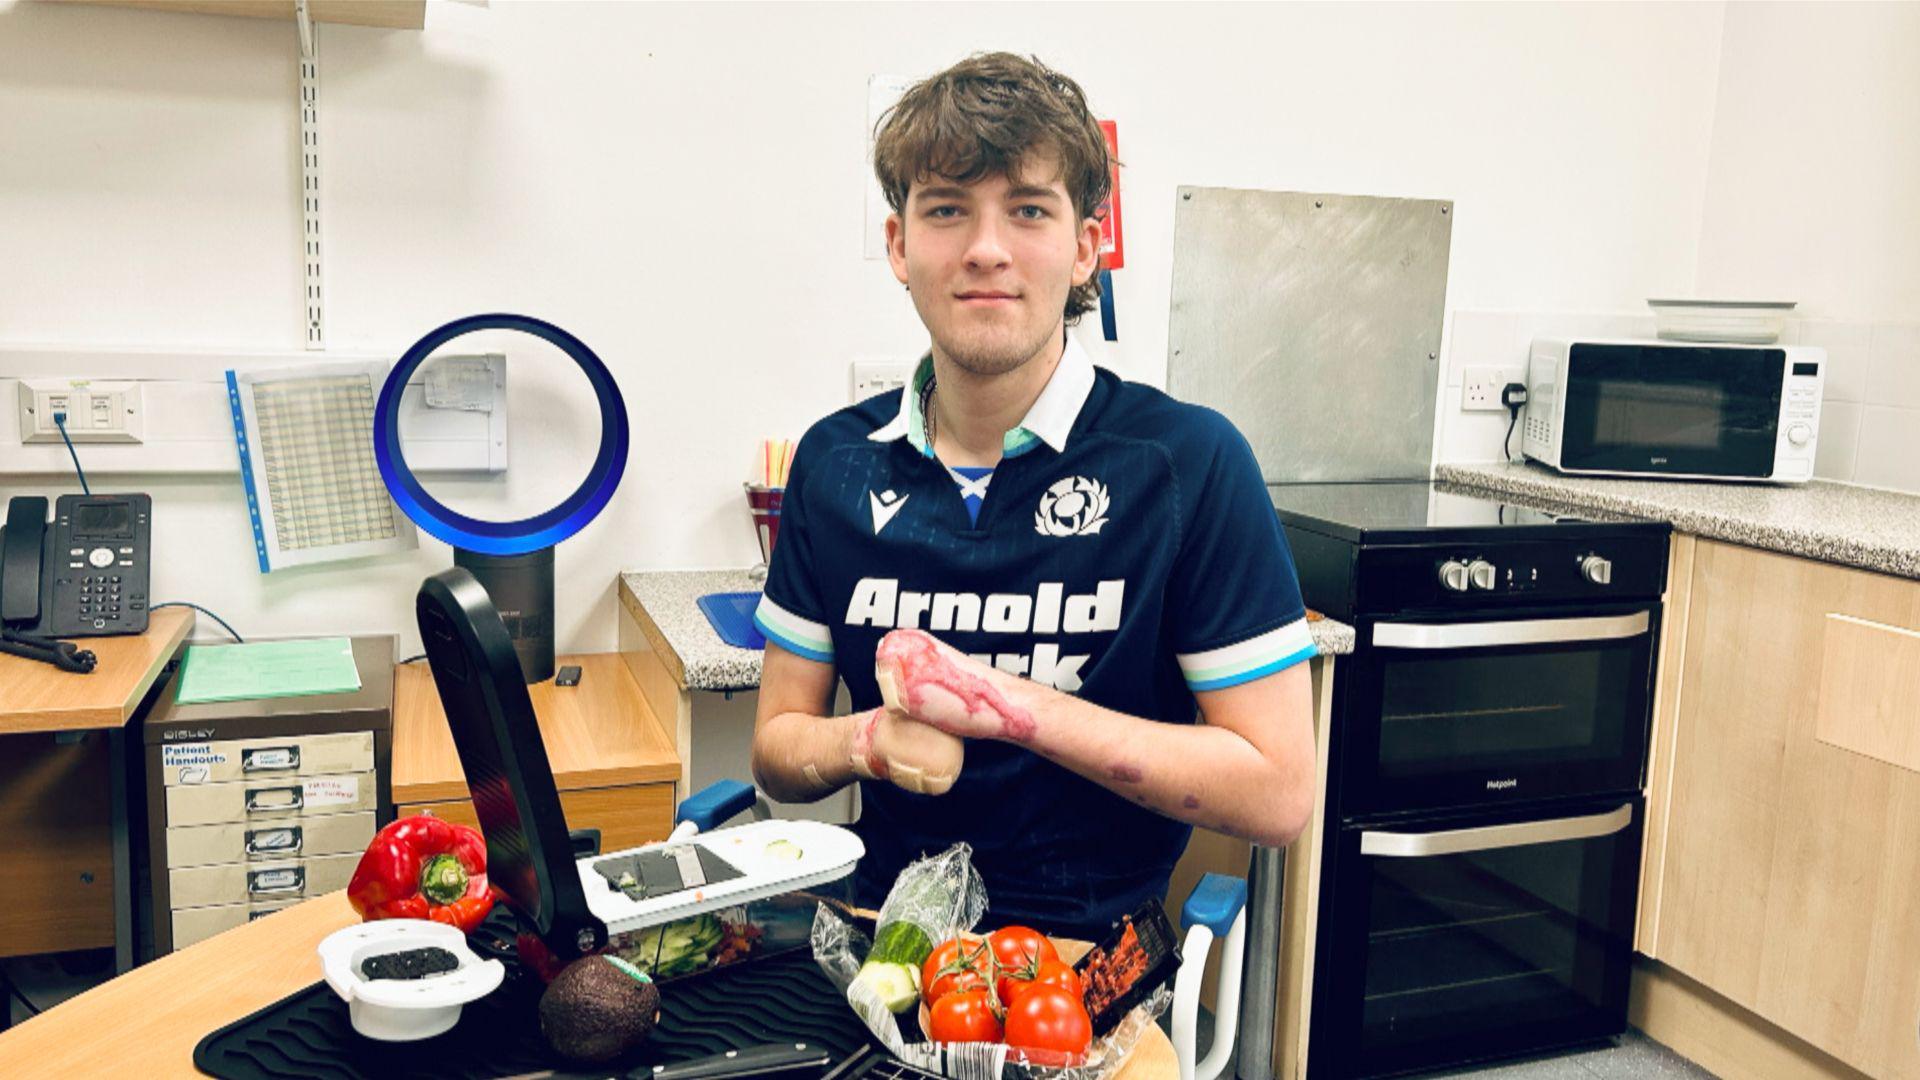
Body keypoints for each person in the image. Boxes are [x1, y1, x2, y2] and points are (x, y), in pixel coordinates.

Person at [751, 51, 1314, 940]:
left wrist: (1006, 707)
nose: (985, 248)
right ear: (900, 245)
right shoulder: (835, 462)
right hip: (878, 936)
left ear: (1086, 247)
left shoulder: (1188, 464)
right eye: (945, 210)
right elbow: (778, 747)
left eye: (1028, 210)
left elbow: (1280, 792)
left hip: (1088, 961)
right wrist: (865, 743)